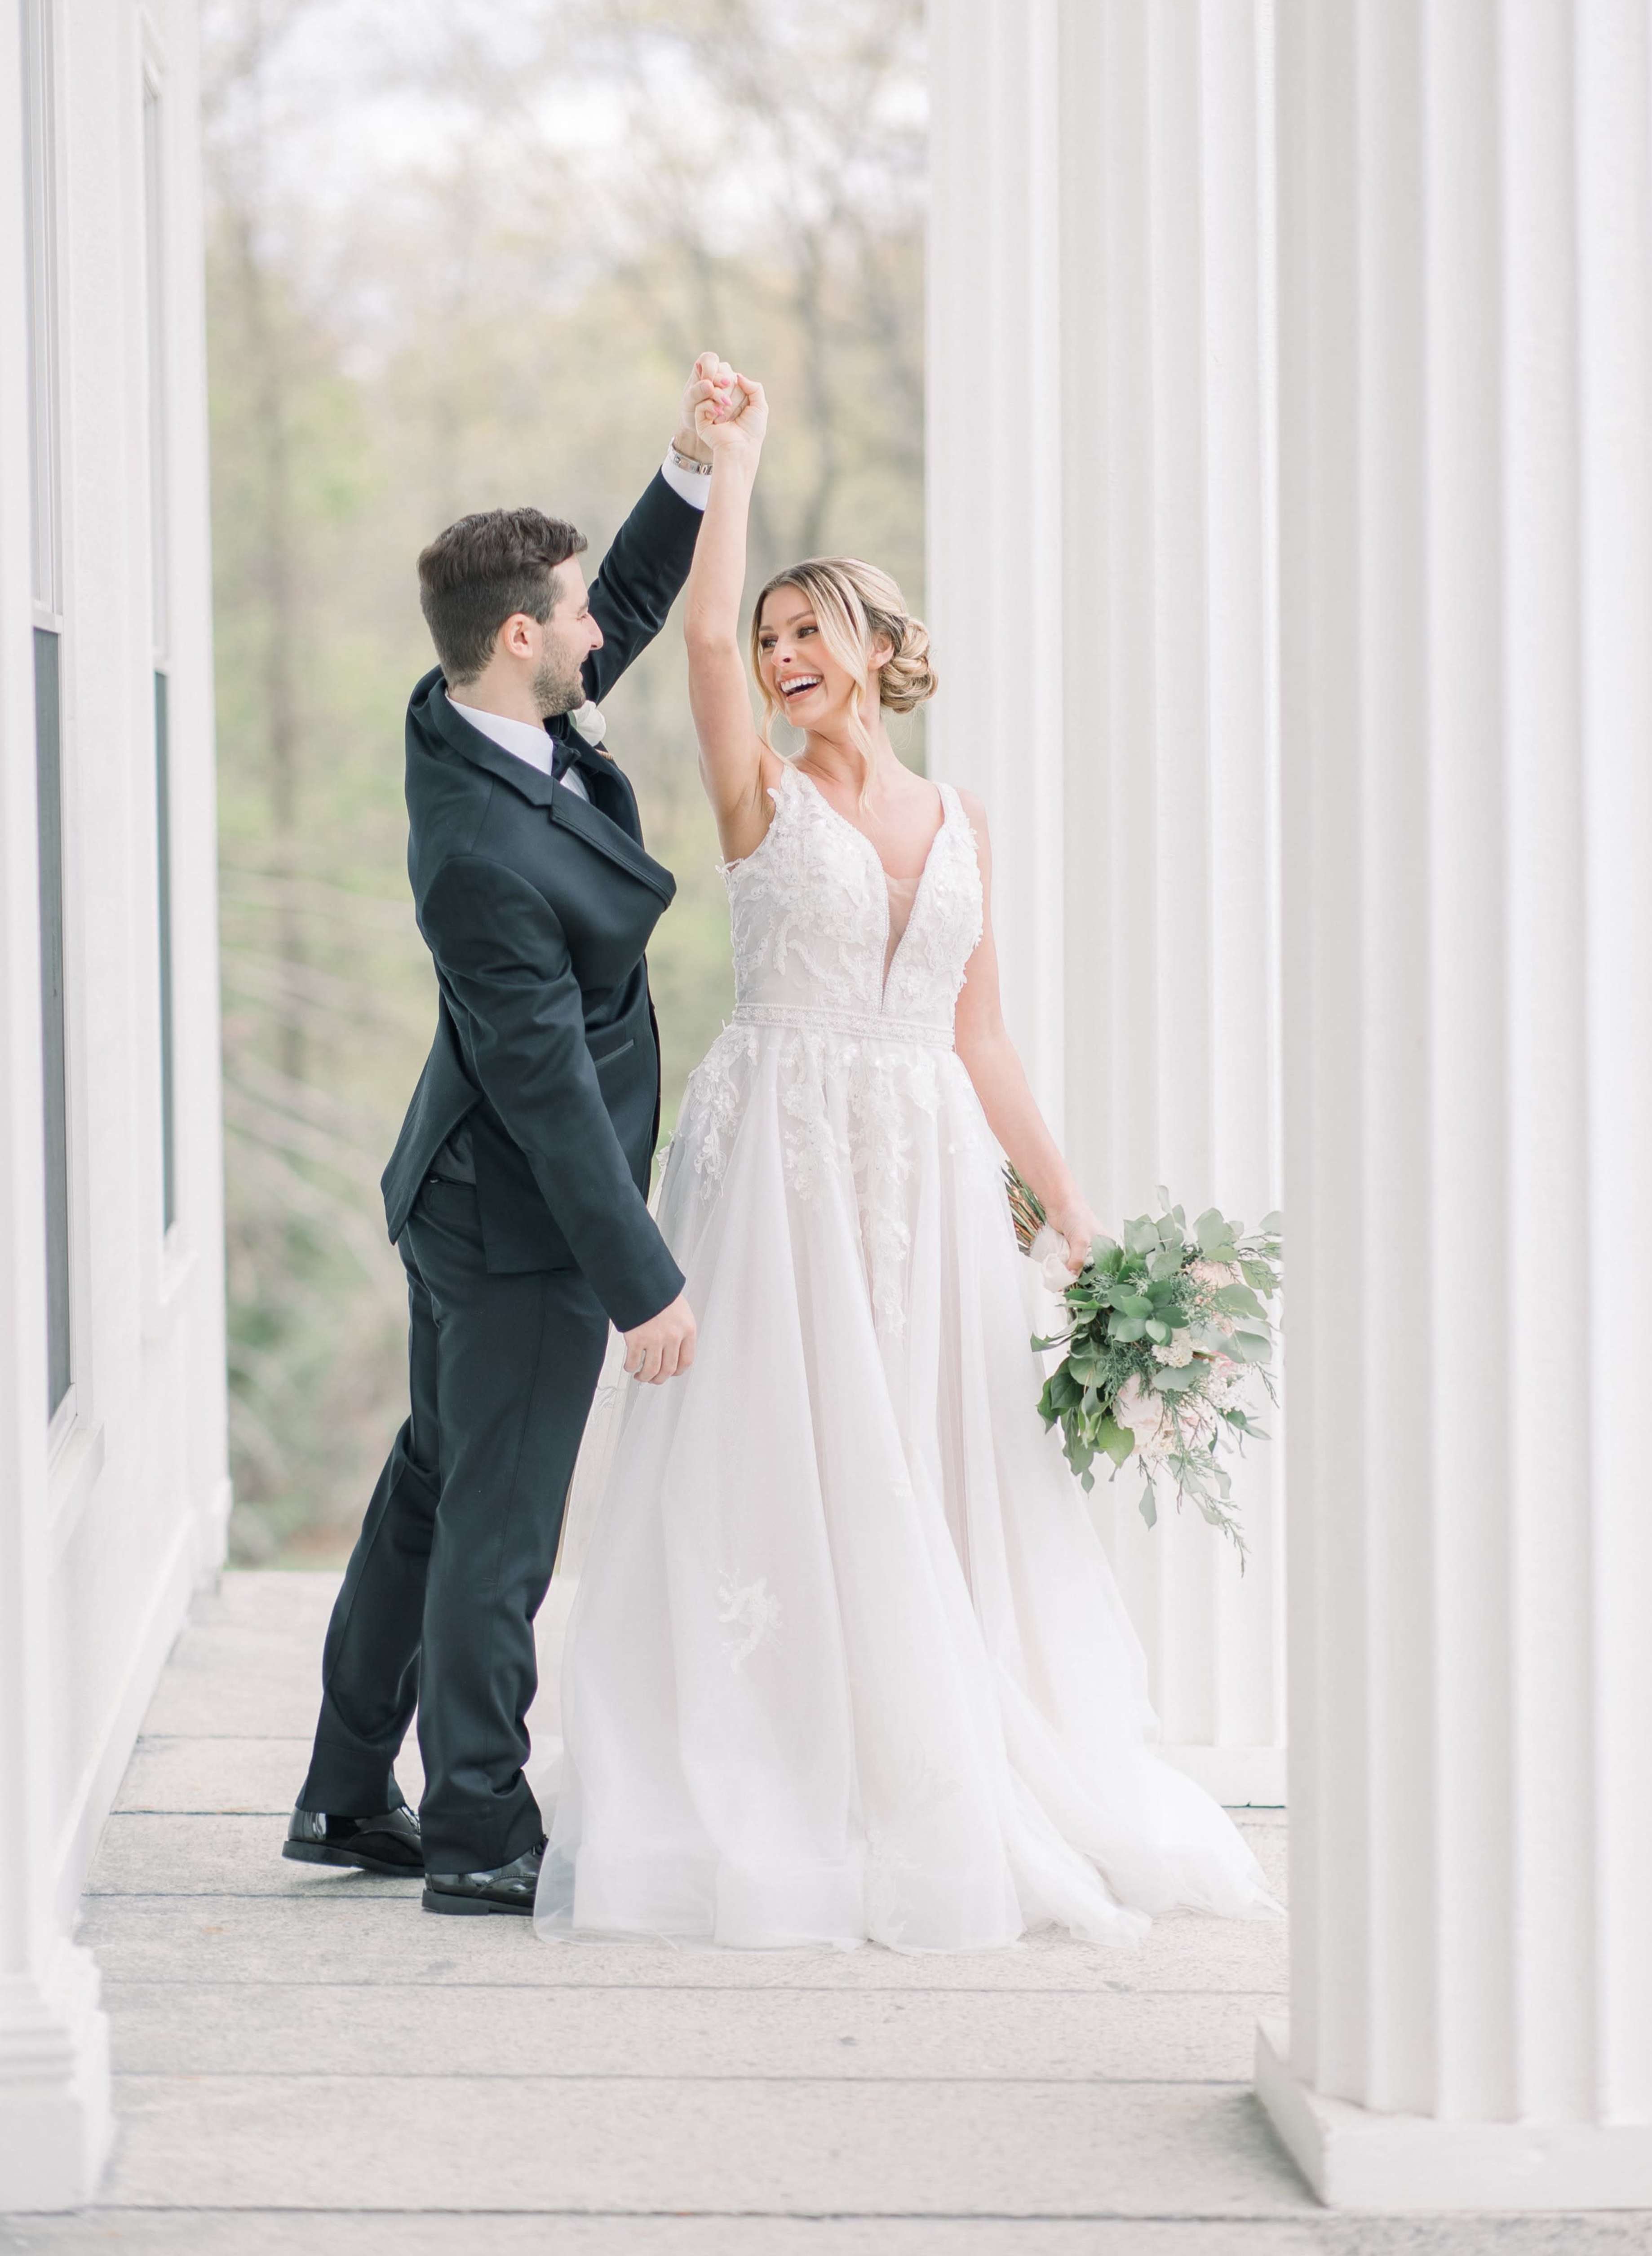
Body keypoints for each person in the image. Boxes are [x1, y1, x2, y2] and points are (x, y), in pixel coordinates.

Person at [537, 365, 1277, 1949]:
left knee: (937, 1467)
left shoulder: (963, 821)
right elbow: (709, 622)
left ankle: (951, 1745)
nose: (789, 655)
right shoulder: (755, 794)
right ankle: (784, 1749)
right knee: (784, 1460)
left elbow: (982, 1033)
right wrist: (731, 465)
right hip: (781, 1166)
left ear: (878, 645)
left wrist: (1071, 1212)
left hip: (929, 1173)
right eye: (778, 637)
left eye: (819, 632)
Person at [283, 358, 735, 1916]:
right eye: (574, 616)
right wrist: (645, 1280)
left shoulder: (485, 712)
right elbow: (543, 1084)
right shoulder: (478, 849)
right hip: (518, 1214)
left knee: (431, 1486)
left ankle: (348, 1795)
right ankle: (476, 1826)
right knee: (496, 1518)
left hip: (459, 1185)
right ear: (520, 637)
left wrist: (688, 467)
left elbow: (622, 591)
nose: (597, 627)